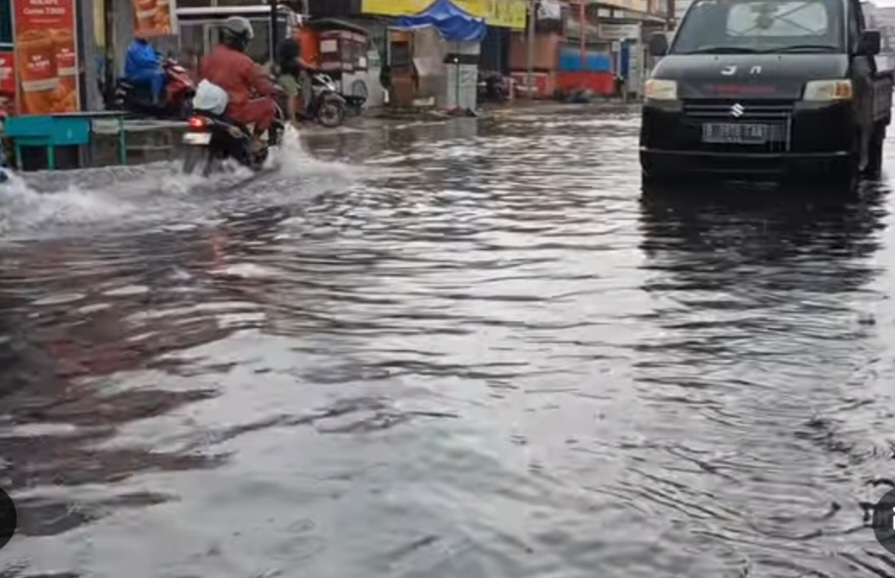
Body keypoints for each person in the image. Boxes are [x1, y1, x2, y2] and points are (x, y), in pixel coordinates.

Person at [200, 16, 276, 152]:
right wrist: (274, 89)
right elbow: (262, 86)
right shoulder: (243, 62)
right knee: (269, 106)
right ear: (240, 40)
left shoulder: (209, 57)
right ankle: (255, 140)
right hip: (234, 111)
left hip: (207, 111)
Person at [276, 27, 314, 123]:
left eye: (297, 32)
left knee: (300, 90)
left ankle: (300, 113)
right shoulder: (291, 44)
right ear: (290, 33)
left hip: (291, 74)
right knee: (293, 93)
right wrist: (309, 66)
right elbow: (297, 59)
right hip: (286, 74)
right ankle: (293, 120)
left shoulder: (293, 44)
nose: (296, 34)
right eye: (294, 32)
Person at [124, 36, 165, 105]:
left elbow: (153, 56)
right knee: (157, 75)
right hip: (136, 73)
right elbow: (142, 61)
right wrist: (156, 62)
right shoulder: (134, 47)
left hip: (147, 71)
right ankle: (155, 99)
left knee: (165, 74)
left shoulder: (148, 46)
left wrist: (160, 58)